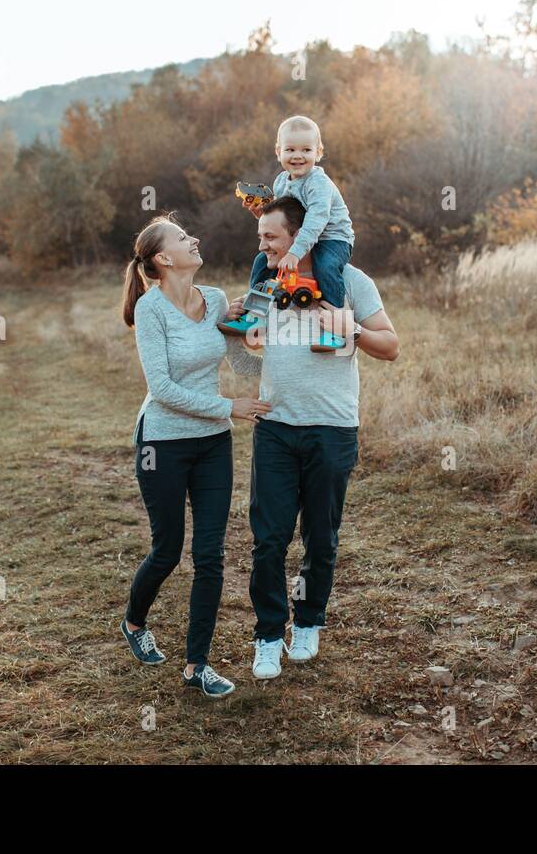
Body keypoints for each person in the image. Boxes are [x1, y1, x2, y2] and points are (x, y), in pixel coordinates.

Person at [224, 196, 400, 679]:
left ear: (301, 237)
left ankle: (309, 622)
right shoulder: (265, 284)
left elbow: (391, 346)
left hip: (332, 429)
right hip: (276, 429)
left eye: (270, 237)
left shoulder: (350, 282)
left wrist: (353, 329)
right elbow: (246, 365)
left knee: (320, 538)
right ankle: (267, 635)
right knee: (268, 540)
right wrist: (239, 337)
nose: (262, 246)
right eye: (261, 237)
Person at [119, 214, 269, 698]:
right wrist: (230, 406)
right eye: (183, 238)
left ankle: (196, 665)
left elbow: (242, 363)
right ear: (163, 258)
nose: (194, 239)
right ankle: (135, 623)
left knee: (210, 556)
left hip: (212, 444)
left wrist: (256, 325)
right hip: (160, 444)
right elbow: (160, 389)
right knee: (167, 550)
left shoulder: (218, 300)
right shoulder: (151, 310)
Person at [219, 115, 356, 350]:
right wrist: (261, 214)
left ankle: (335, 329)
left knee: (326, 266)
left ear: (318, 152)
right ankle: (255, 315)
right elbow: (283, 219)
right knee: (262, 261)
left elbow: (316, 220)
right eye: (290, 149)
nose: (297, 156)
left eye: (306, 149)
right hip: (301, 238)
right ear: (278, 151)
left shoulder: (319, 184)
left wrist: (294, 252)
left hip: (332, 238)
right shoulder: (281, 182)